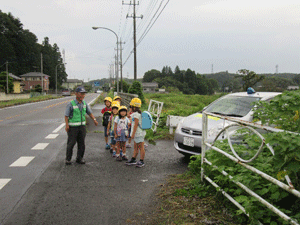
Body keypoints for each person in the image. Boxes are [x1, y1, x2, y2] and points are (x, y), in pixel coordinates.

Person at [65, 87, 98, 165]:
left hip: (82, 127)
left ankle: (79, 158)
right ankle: (68, 159)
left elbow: (89, 112)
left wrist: (94, 119)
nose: (83, 95)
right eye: (81, 93)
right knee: (71, 143)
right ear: (76, 94)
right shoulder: (70, 104)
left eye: (84, 94)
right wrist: (67, 125)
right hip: (73, 127)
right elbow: (66, 116)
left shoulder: (84, 103)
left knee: (81, 143)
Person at [126, 98, 146, 168]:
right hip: (137, 134)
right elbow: (127, 116)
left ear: (134, 107)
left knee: (141, 147)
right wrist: (130, 110)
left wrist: (132, 134)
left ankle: (142, 161)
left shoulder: (137, 115)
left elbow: (136, 125)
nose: (130, 108)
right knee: (136, 147)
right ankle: (133, 159)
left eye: (130, 106)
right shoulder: (135, 114)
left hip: (139, 133)